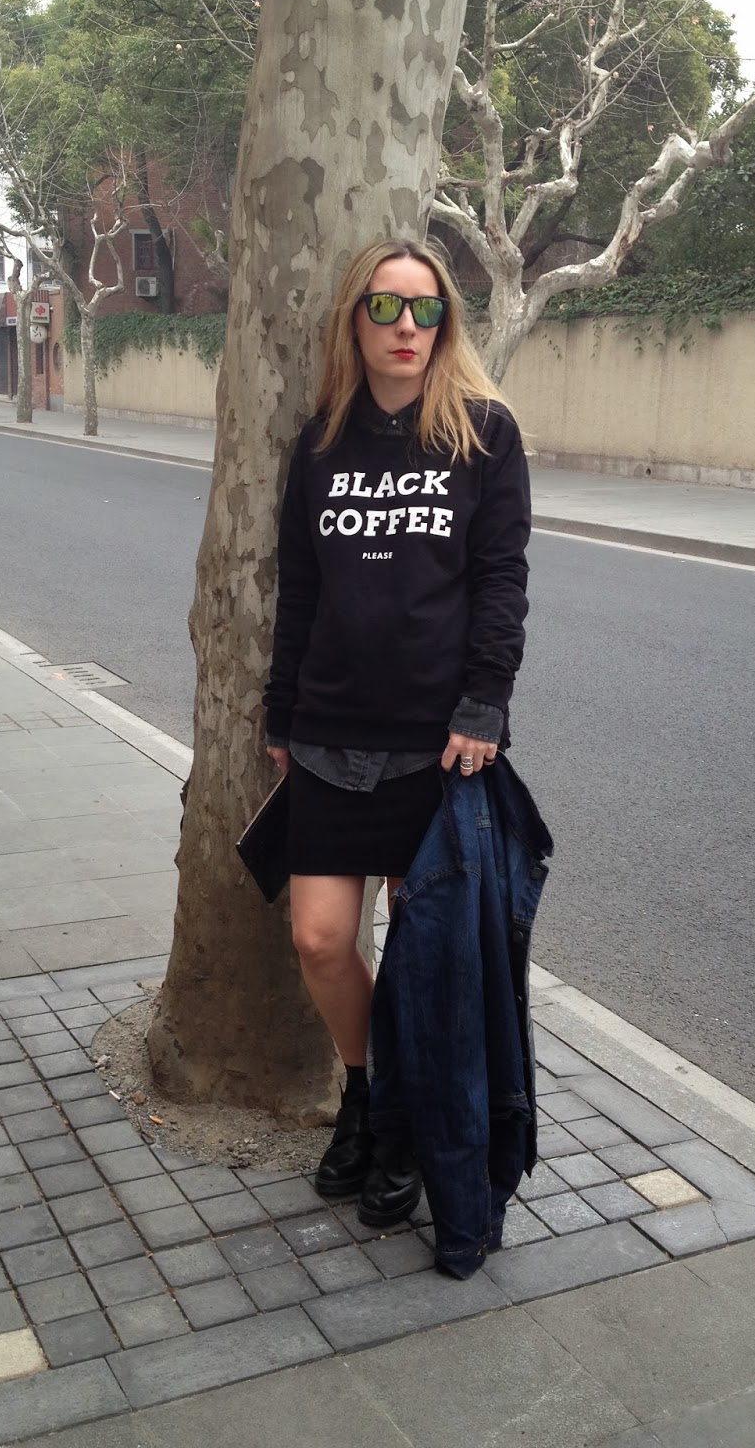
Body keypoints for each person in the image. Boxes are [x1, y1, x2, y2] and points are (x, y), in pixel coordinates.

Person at [263, 237, 531, 1231]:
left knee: (424, 958)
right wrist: (281, 711)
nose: (406, 327)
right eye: (385, 307)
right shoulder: (321, 444)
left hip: (437, 746)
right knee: (320, 938)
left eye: (425, 309)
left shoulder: (484, 434)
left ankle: (407, 1122)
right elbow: (300, 590)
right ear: (356, 320)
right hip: (330, 732)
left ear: (446, 321)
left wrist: (484, 704)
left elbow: (501, 579)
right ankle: (365, 1092)